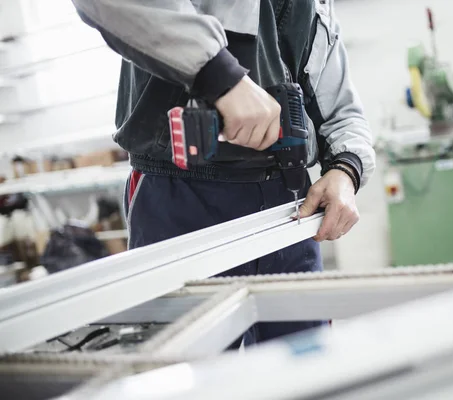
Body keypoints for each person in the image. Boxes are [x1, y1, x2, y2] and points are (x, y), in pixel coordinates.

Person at [72, 0, 375, 344]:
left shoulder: (312, 8)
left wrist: (346, 169)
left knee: (306, 368)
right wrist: (220, 76)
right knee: (186, 376)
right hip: (180, 200)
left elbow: (343, 112)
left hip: (287, 207)